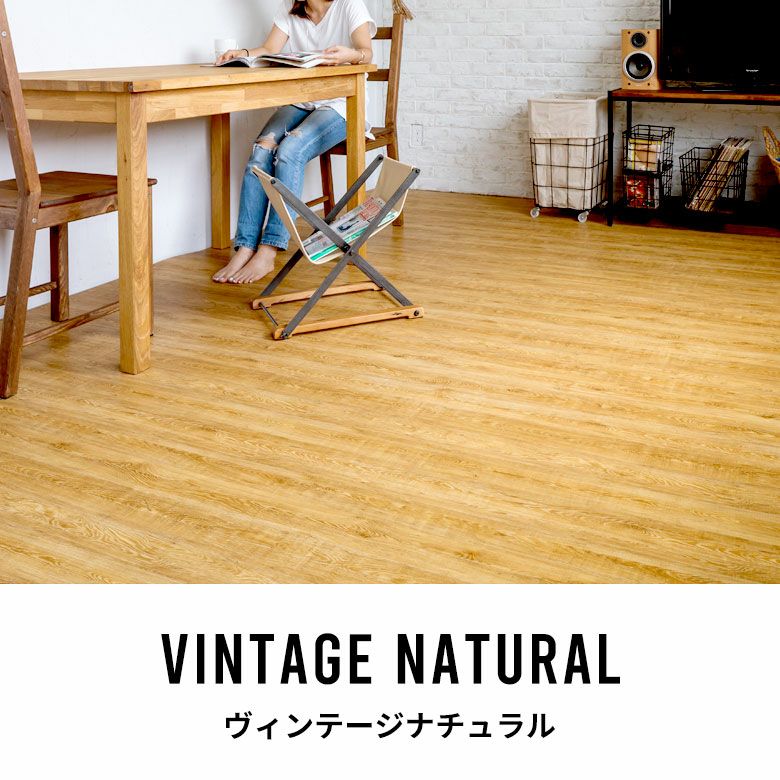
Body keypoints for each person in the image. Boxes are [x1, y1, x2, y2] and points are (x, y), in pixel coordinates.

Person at [213, 0, 376, 284]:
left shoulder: (349, 4)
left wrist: (349, 55)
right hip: (304, 100)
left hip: (343, 104)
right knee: (261, 149)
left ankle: (270, 247)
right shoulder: (291, 7)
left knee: (290, 150)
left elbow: (367, 52)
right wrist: (245, 53)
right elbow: (269, 48)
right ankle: (245, 246)